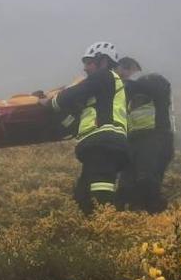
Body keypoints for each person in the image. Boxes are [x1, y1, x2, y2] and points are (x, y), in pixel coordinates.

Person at [41, 42, 130, 214]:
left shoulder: (104, 76)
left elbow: (76, 92)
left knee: (100, 190)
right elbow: (76, 116)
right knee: (83, 194)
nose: (85, 68)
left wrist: (50, 103)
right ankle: (90, 227)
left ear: (103, 61)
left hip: (105, 143)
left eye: (89, 62)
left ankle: (109, 227)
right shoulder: (101, 90)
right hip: (100, 143)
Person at [116, 57, 175, 213]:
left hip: (156, 138)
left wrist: (125, 80)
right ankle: (129, 221)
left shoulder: (154, 81)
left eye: (126, 68)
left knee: (147, 181)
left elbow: (158, 86)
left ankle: (154, 222)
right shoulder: (129, 93)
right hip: (135, 141)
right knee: (125, 187)